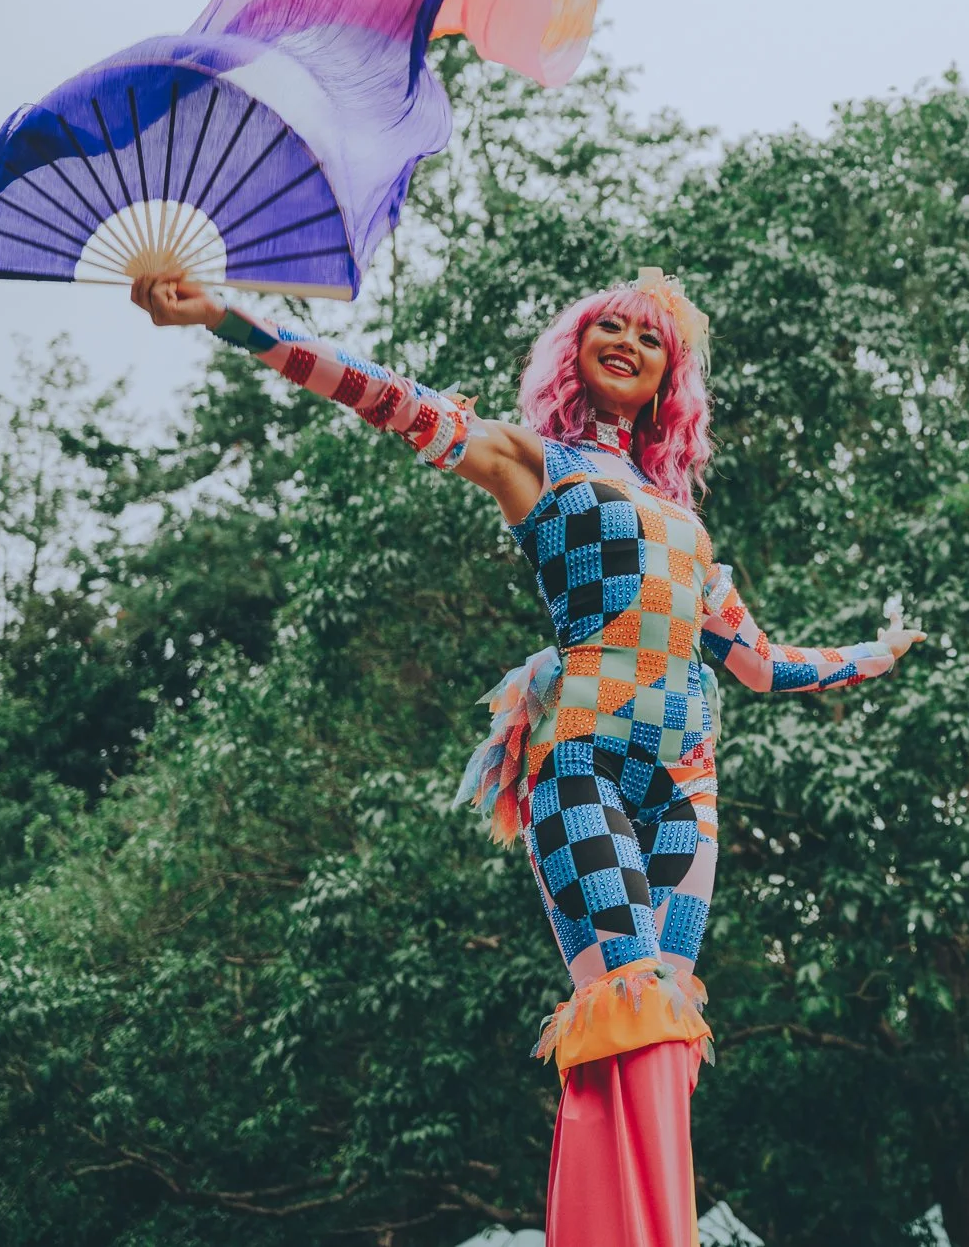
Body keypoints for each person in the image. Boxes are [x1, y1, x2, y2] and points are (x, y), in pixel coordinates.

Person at [130, 265, 922, 1247]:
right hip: (583, 759)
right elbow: (382, 392)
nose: (627, 339)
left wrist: (875, 655)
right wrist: (227, 319)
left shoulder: (686, 522)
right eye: (608, 326)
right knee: (621, 997)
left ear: (672, 374)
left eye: (650, 334)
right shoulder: (531, 460)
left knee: (667, 1024)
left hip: (688, 781)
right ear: (575, 351)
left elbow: (760, 667)